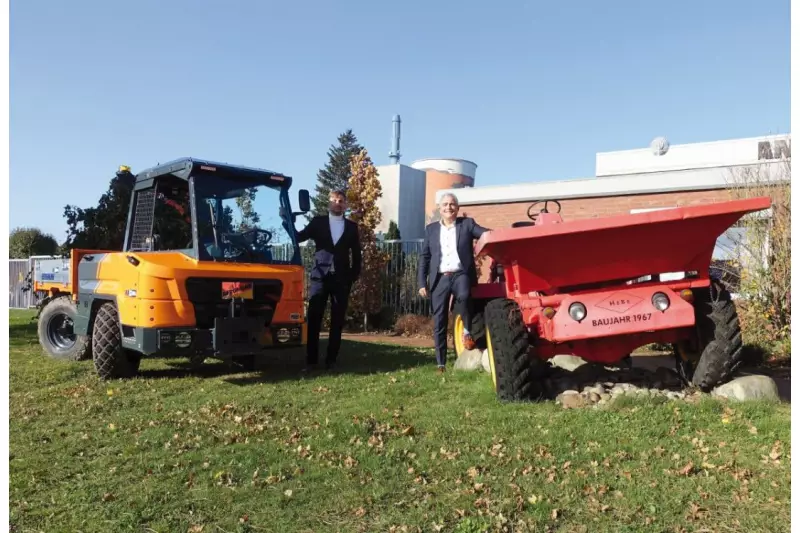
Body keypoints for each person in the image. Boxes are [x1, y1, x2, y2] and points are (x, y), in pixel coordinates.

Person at [417, 193, 490, 373]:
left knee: (464, 296)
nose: (448, 207)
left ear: (457, 208)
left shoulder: (467, 224)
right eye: (445, 204)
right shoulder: (431, 230)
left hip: (460, 274)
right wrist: (421, 283)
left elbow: (485, 233)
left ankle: (467, 331)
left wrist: (498, 234)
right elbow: (425, 257)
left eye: (452, 204)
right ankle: (441, 363)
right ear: (439, 208)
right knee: (439, 320)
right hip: (439, 278)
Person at [295, 189, 361, 371]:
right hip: (319, 278)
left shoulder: (351, 227)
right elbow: (298, 237)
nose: (337, 203)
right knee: (314, 320)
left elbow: (357, 256)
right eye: (334, 200)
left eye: (341, 201)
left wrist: (351, 278)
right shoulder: (318, 223)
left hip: (341, 280)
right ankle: (311, 362)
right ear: (328, 203)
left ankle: (331, 361)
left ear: (345, 205)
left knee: (337, 321)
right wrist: (288, 221)